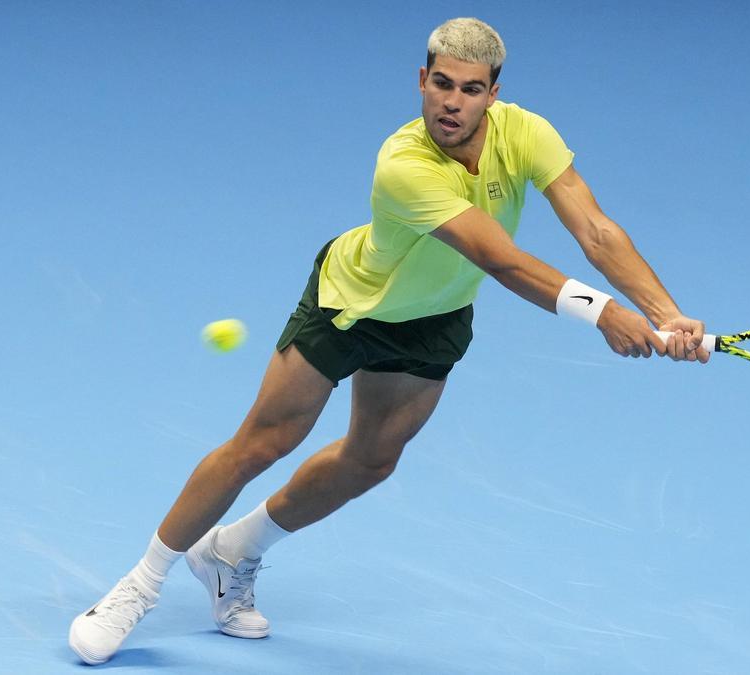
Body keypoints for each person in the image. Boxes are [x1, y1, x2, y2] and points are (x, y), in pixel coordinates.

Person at [68, 17, 709, 665]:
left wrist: (666, 313)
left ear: (494, 92)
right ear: (421, 80)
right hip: (352, 304)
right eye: (441, 84)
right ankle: (137, 585)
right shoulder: (404, 164)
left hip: (435, 320)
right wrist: (600, 311)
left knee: (370, 461)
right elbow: (501, 258)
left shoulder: (528, 133)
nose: (452, 102)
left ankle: (233, 551)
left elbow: (595, 230)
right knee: (261, 443)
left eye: (470, 89)